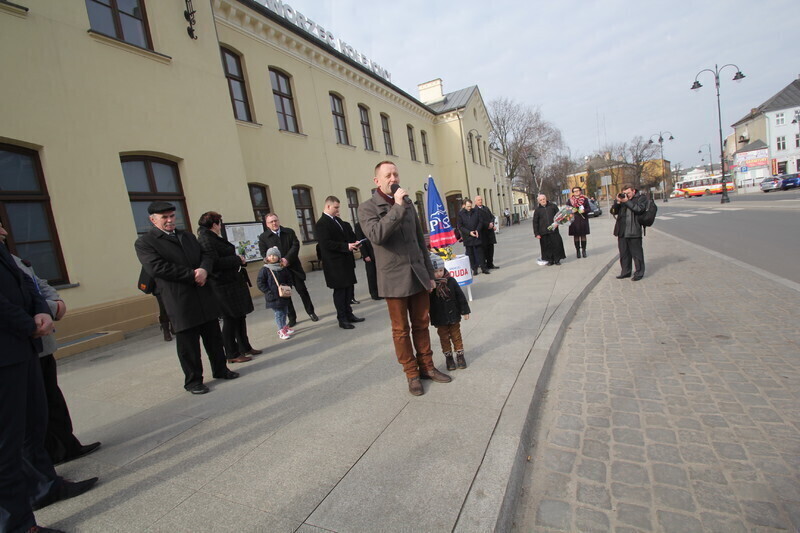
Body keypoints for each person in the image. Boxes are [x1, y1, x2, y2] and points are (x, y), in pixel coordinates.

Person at [1, 221, 97, 533]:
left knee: (33, 425)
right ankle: (17, 524)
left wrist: (42, 310)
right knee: (6, 447)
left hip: (23, 350)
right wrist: (29, 324)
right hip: (7, 352)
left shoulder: (3, 252)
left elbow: (27, 282)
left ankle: (46, 485)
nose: (3, 228)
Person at [359, 161, 451, 396]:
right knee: (401, 330)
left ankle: (427, 368)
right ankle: (411, 374)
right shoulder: (367, 208)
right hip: (394, 278)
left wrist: (430, 275)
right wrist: (397, 207)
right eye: (387, 175)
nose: (393, 178)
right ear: (377, 181)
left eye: (396, 173)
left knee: (421, 324)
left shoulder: (408, 203)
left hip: (418, 275)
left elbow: (420, 241)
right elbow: (377, 236)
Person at [135, 201, 239, 395]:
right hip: (179, 299)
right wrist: (192, 275)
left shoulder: (187, 236)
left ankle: (220, 369)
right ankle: (193, 381)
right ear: (153, 220)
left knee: (214, 337)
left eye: (172, 216)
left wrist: (204, 270)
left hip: (203, 294)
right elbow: (157, 268)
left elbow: (206, 254)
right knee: (188, 344)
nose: (169, 220)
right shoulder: (146, 242)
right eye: (164, 217)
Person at [12, 255, 102, 466]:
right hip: (24, 344)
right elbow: (15, 299)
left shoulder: (13, 258)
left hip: (42, 343)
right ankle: (49, 454)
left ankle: (67, 445)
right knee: (36, 406)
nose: (4, 231)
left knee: (52, 398)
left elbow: (38, 284)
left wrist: (56, 304)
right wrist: (50, 309)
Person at [196, 211, 260, 364]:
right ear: (214, 224)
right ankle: (232, 353)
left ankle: (245, 346)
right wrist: (236, 259)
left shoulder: (212, 238)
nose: (221, 226)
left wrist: (237, 260)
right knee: (230, 318)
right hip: (222, 285)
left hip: (231, 282)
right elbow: (214, 263)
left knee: (239, 316)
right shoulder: (206, 240)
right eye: (220, 222)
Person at [257, 213, 318, 327]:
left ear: (278, 220)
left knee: (302, 291)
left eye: (276, 220)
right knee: (285, 294)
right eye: (271, 222)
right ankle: (292, 318)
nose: (274, 223)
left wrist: (287, 259)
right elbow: (263, 253)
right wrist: (276, 261)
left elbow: (295, 245)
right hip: (279, 271)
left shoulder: (289, 232)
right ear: (267, 224)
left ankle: (311, 312)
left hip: (293, 267)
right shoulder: (263, 237)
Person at [315, 196, 364, 329]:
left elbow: (346, 236)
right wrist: (345, 246)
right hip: (334, 265)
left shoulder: (338, 221)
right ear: (328, 206)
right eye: (336, 207)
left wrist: (354, 243)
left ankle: (349, 314)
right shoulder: (322, 224)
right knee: (340, 292)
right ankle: (342, 319)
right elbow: (326, 244)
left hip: (345, 262)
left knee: (349, 290)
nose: (338, 210)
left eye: (338, 207)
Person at [428, 254, 471, 371]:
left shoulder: (451, 280)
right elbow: (426, 303)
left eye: (441, 270)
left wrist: (465, 311)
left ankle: (460, 355)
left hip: (453, 315)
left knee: (456, 335)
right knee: (444, 338)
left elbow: (460, 296)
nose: (439, 274)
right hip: (439, 317)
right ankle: (449, 358)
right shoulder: (430, 285)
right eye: (435, 271)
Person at [610, 184, 648, 281]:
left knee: (637, 254)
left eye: (628, 193)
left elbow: (639, 209)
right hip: (621, 231)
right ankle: (625, 272)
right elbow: (613, 211)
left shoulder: (641, 198)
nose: (626, 195)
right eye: (624, 193)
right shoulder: (622, 200)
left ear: (633, 191)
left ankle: (639, 273)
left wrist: (627, 201)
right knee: (624, 253)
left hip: (634, 230)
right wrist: (617, 202)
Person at [256, 247, 295, 340]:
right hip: (273, 296)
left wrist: (288, 286)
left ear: (279, 257)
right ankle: (281, 330)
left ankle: (285, 327)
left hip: (284, 295)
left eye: (274, 255)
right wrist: (268, 292)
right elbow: (260, 283)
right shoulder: (265, 270)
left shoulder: (282, 268)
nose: (272, 257)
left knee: (285, 311)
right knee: (279, 313)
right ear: (267, 257)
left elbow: (289, 278)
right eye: (270, 255)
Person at [457, 198, 490, 276]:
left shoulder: (476, 211)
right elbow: (460, 226)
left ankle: (483, 268)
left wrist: (477, 230)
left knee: (480, 253)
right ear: (464, 205)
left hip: (477, 234)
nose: (469, 208)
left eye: (470, 206)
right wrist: (469, 232)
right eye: (468, 206)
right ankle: (474, 269)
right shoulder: (460, 214)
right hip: (468, 236)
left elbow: (480, 221)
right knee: (470, 254)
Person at [532, 193, 566, 266]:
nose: (543, 201)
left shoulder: (553, 206)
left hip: (554, 230)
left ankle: (557, 260)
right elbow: (535, 222)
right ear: (539, 201)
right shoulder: (537, 210)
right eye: (541, 200)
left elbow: (559, 216)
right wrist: (536, 233)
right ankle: (550, 260)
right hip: (543, 232)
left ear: (546, 199)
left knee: (557, 245)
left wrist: (557, 223)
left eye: (543, 199)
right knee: (546, 247)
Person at [355, 222, 381, 300]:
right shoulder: (359, 225)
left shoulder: (373, 222)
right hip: (368, 254)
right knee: (371, 274)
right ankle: (374, 293)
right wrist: (365, 255)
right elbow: (360, 241)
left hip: (377, 253)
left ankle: (381, 291)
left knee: (379, 274)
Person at [473, 195, 498, 269]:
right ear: (475, 202)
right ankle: (484, 265)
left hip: (490, 232)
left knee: (491, 249)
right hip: (483, 233)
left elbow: (492, 217)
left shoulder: (486, 208)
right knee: (484, 250)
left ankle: (490, 264)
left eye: (481, 199)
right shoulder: (475, 210)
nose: (480, 201)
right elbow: (479, 221)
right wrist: (488, 225)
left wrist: (492, 223)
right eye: (478, 200)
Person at [566, 186, 591, 258]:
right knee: (576, 236)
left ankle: (584, 250)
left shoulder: (585, 199)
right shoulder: (570, 200)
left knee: (583, 235)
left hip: (583, 220)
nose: (576, 192)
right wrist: (571, 211)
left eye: (578, 191)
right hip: (574, 220)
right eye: (575, 191)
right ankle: (577, 251)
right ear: (573, 193)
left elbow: (589, 209)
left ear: (580, 191)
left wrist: (584, 211)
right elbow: (567, 210)